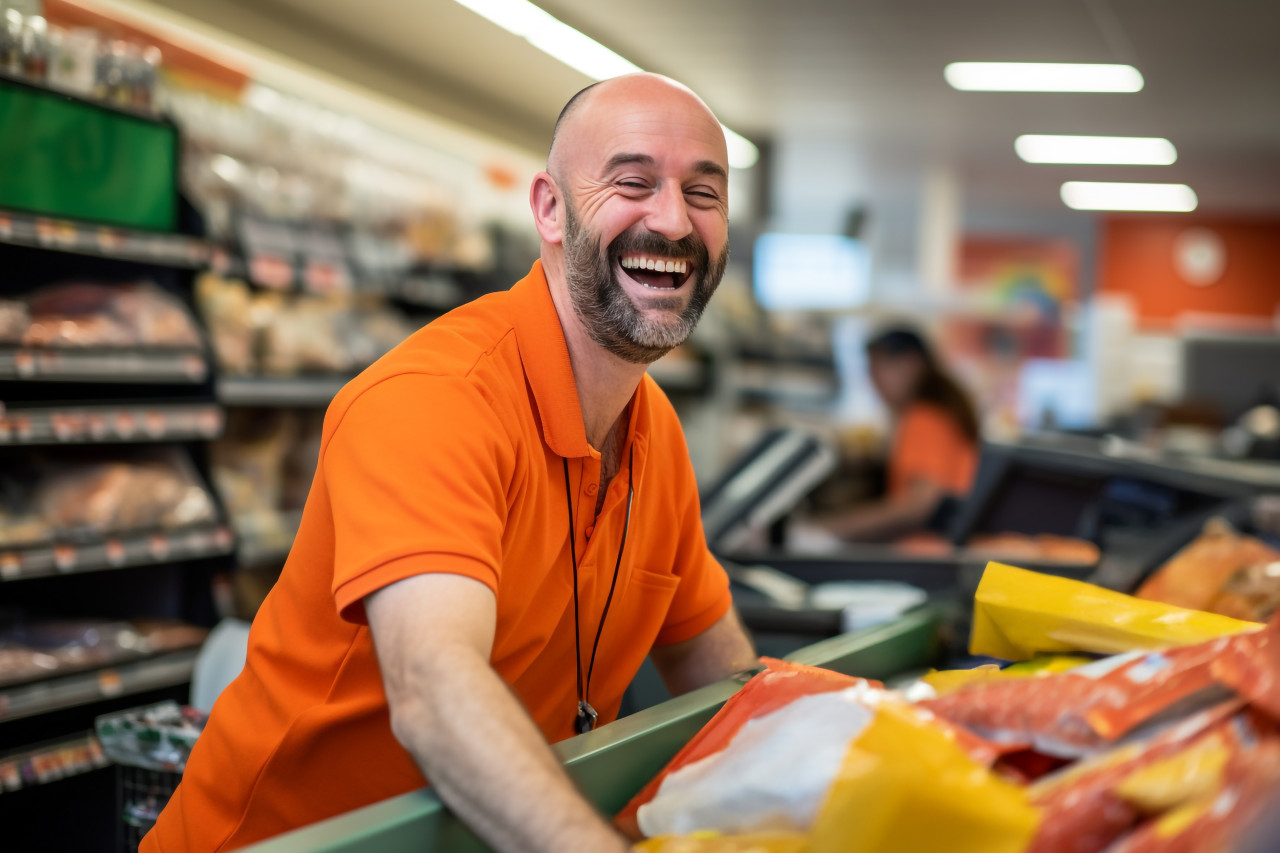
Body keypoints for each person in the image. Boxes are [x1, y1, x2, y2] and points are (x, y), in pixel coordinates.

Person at [144, 73, 756, 853]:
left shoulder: (655, 434)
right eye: (633, 182)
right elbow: (435, 689)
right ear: (549, 209)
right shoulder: (438, 399)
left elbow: (722, 678)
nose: (672, 220)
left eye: (704, 193)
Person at [824, 326, 980, 542]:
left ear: (911, 364)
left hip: (929, 551)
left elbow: (919, 504)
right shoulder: (939, 412)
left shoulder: (925, 418)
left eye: (880, 367)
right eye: (870, 369)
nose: (873, 380)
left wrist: (830, 530)